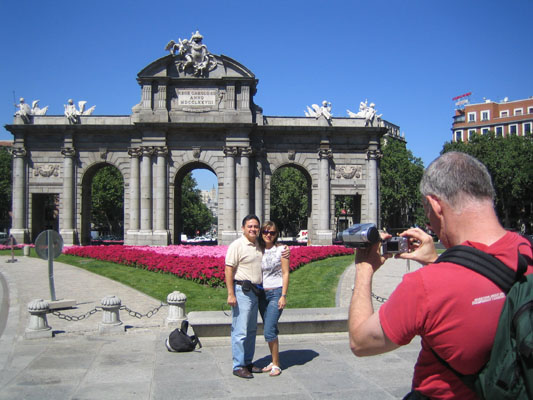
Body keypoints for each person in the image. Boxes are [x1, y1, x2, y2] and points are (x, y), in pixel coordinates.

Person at [348, 152, 533, 399]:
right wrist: (436, 261)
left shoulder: (426, 286)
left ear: (435, 205)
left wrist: (364, 268)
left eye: (427, 213)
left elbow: (361, 342)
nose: (430, 223)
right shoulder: (527, 250)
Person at [225, 215, 264, 379]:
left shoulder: (259, 245)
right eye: (250, 226)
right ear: (243, 228)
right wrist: (230, 294)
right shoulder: (237, 245)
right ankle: (238, 365)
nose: (253, 229)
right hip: (242, 292)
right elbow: (229, 269)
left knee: (251, 330)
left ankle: (247, 362)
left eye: (256, 226)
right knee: (240, 331)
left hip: (255, 292)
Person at [257, 221, 290, 377]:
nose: (268, 235)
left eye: (272, 232)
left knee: (269, 329)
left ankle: (276, 364)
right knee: (270, 328)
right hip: (261, 294)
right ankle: (273, 360)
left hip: (276, 293)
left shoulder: (282, 250)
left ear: (276, 234)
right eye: (265, 232)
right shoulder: (258, 249)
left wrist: (283, 295)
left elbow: (285, 273)